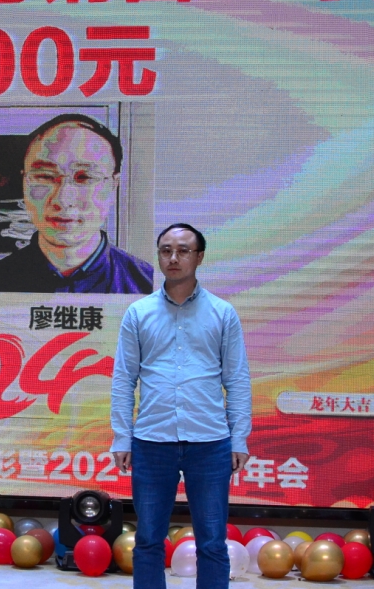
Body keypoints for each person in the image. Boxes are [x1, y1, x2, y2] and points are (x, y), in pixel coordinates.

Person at [110, 223, 251, 589]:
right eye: (166, 250)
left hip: (210, 442)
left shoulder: (222, 313)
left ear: (199, 257)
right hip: (151, 441)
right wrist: (122, 437)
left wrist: (239, 438)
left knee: (212, 542)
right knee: (148, 540)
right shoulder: (138, 313)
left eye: (183, 250)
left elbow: (236, 380)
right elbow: (124, 379)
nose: (173, 258)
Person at [0, 114, 152, 293]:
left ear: (113, 186)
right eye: (44, 176)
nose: (62, 200)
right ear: (24, 182)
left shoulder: (149, 288)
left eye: (84, 177)